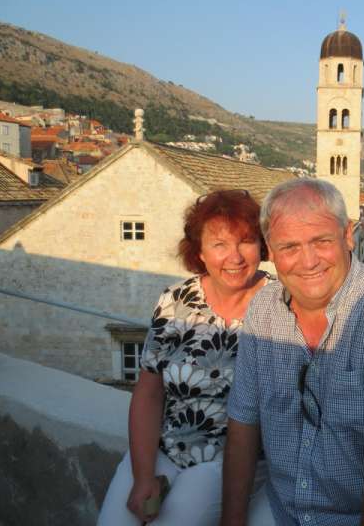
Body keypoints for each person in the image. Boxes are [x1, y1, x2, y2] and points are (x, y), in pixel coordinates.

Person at [221, 179, 364, 526]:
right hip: (286, 508)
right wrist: (232, 520)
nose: (308, 261)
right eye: (289, 247)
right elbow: (243, 423)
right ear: (270, 250)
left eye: (321, 241)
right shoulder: (264, 310)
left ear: (348, 236)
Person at [98, 189, 271, 526]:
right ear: (200, 252)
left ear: (261, 246)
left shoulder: (278, 305)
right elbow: (149, 393)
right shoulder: (176, 300)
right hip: (165, 449)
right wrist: (144, 475)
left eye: (246, 241)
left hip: (228, 461)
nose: (234, 257)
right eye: (219, 244)